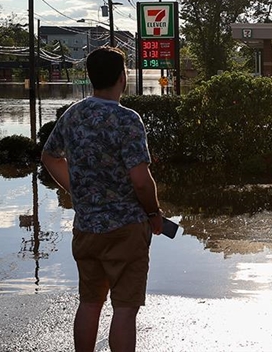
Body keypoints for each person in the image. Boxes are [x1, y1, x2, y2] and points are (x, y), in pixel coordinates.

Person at [41, 46, 163, 352]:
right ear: (123, 78)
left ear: (90, 77)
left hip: (86, 227)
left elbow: (50, 157)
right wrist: (154, 213)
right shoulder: (126, 120)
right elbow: (140, 180)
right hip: (126, 228)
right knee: (124, 307)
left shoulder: (73, 114)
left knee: (90, 302)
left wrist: (79, 190)